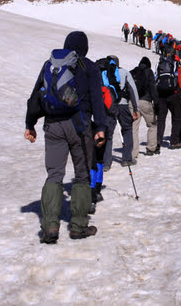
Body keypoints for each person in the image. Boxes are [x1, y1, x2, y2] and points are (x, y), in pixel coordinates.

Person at [24, 31, 106, 242]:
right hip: (80, 126)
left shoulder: (50, 65)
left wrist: (30, 124)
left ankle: (51, 226)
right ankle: (78, 226)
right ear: (85, 48)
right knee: (82, 174)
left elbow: (35, 96)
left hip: (53, 126)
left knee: (54, 174)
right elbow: (97, 99)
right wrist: (101, 127)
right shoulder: (90, 67)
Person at [131, 56, 160, 156]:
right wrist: (156, 103)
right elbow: (153, 88)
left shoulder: (134, 72)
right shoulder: (149, 72)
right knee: (152, 125)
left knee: (134, 127)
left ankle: (133, 152)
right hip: (146, 102)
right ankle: (151, 148)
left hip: (133, 102)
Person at [156, 54, 181, 149]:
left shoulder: (160, 67)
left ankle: (158, 141)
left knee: (161, 119)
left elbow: (155, 79)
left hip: (161, 95)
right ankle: (174, 141)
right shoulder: (178, 69)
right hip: (174, 95)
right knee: (176, 118)